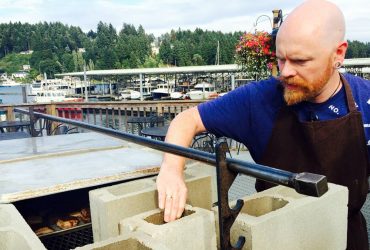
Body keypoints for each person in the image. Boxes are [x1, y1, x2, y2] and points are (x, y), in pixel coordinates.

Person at [156, 0, 370, 249]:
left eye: (300, 61)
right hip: (272, 236)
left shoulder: (366, 101)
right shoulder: (258, 99)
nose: (286, 72)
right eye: (281, 59)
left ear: (338, 54)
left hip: (342, 238)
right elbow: (188, 119)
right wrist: (172, 169)